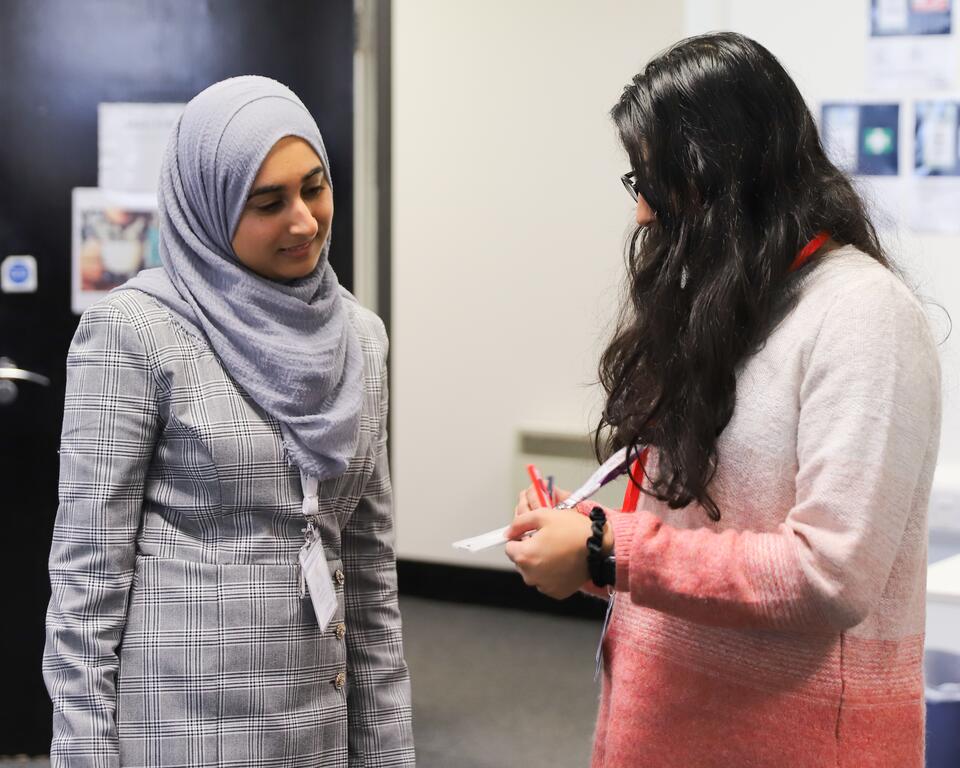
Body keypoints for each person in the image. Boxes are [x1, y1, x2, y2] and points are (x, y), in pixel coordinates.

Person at [505, 32, 941, 768]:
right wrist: (587, 539)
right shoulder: (729, 299)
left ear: (724, 173)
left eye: (653, 181)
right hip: (663, 726)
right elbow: (697, 525)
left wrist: (612, 552)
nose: (642, 214)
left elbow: (828, 578)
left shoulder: (864, 315)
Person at [43, 76, 414, 767]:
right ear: (207, 207)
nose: (304, 220)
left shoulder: (360, 338)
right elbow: (86, 586)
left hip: (316, 725)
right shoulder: (132, 331)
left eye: (315, 187)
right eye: (268, 202)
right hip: (182, 729)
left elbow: (368, 571)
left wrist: (388, 752)